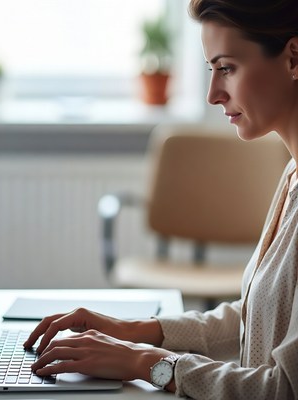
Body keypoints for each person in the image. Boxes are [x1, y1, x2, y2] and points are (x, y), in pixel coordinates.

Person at [23, 0, 298, 398]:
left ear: (293, 57)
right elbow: (256, 321)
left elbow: (285, 389)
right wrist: (134, 330)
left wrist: (143, 362)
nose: (212, 94)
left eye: (226, 68)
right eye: (211, 70)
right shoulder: (292, 173)